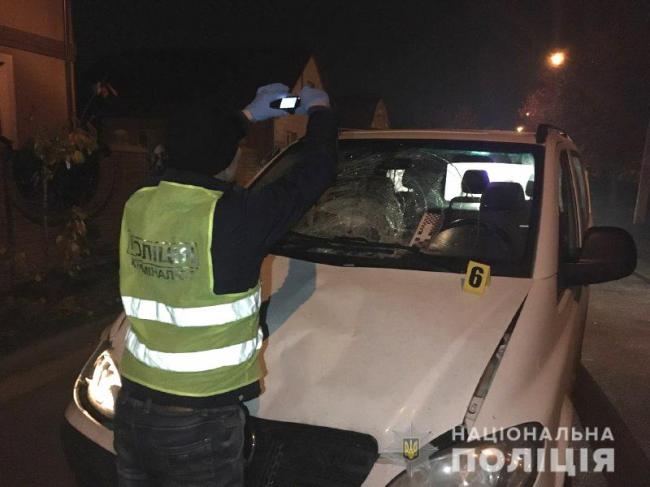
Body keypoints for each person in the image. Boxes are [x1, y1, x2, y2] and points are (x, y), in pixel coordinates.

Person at [113, 83, 337, 486]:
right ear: (230, 158)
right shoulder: (232, 217)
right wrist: (320, 110)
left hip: (132, 408)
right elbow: (314, 173)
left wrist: (246, 116)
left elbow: (189, 152)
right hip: (198, 421)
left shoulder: (139, 201)